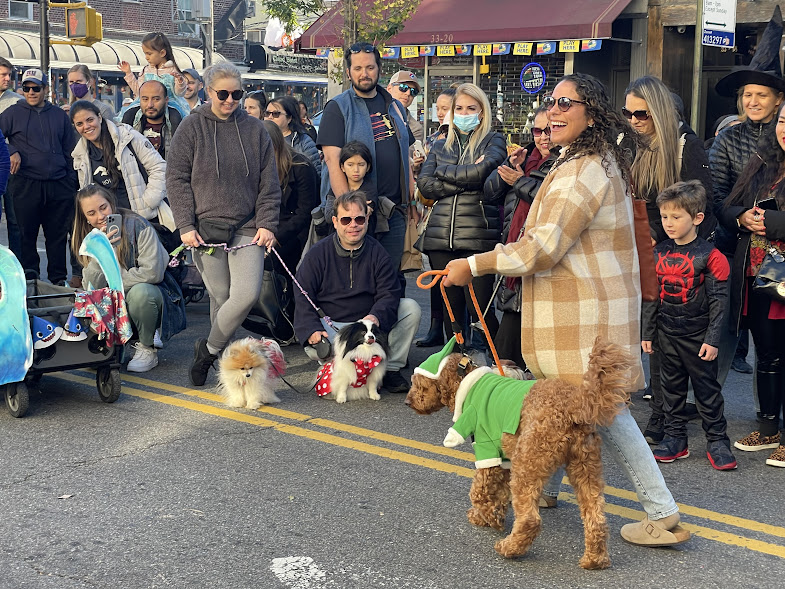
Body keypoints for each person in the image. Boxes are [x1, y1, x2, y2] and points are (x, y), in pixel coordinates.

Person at [442, 73, 689, 547]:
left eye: (564, 103)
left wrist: (474, 264)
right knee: (561, 404)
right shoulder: (579, 161)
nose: (552, 111)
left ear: (590, 114)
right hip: (577, 316)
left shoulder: (585, 168)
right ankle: (549, 491)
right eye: (549, 102)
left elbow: (543, 248)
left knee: (606, 412)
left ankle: (662, 512)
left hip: (584, 319)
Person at [166, 62, 281, 387]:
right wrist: (185, 224)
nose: (230, 100)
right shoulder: (191, 127)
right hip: (204, 228)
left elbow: (269, 183)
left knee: (244, 295)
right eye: (223, 94)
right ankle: (227, 370)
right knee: (220, 295)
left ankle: (208, 350)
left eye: (237, 94)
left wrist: (268, 223)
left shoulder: (256, 130)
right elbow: (175, 178)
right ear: (208, 91)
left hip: (247, 225)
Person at [625, 75, 716, 443]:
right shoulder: (630, 144)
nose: (633, 121)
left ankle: (667, 417)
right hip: (637, 252)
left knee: (668, 341)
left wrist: (661, 237)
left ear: (659, 111)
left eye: (641, 114)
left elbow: (703, 207)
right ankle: (660, 412)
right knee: (648, 337)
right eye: (628, 113)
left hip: (675, 257)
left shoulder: (685, 147)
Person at [709, 6, 785, 391]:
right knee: (725, 333)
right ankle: (710, 408)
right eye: (747, 94)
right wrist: (739, 216)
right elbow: (715, 194)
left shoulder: (784, 136)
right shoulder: (728, 139)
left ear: (777, 100)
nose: (752, 101)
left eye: (761, 94)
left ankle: (771, 419)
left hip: (778, 253)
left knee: (774, 346)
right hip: (736, 250)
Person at [641, 180, 736, 469]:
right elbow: (652, 296)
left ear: (697, 218)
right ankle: (675, 439)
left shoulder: (712, 256)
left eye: (676, 217)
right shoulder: (658, 253)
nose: (668, 223)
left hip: (698, 337)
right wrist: (647, 333)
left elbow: (721, 302)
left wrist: (713, 339)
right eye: (665, 216)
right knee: (670, 390)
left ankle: (718, 440)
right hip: (666, 335)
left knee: (707, 391)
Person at [294, 191, 421, 393]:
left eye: (359, 218)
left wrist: (376, 316)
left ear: (367, 219)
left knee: (411, 308)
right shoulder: (317, 253)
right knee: (315, 346)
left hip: (367, 326)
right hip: (331, 326)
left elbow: (390, 292)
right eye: (346, 219)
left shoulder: (378, 252)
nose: (353, 225)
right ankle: (341, 366)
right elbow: (303, 294)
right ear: (335, 222)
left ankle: (390, 369)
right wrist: (311, 329)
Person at [719, 99, 785, 469]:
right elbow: (725, 207)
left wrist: (770, 222)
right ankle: (769, 429)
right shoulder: (763, 163)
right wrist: (743, 217)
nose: (784, 128)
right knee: (768, 354)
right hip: (758, 276)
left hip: (781, 274)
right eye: (783, 121)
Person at [417, 82, 507, 347]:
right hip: (440, 237)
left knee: (480, 309)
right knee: (451, 313)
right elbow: (424, 184)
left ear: (482, 111)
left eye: (471, 108)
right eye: (459, 108)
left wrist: (443, 172)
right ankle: (455, 366)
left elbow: (481, 174)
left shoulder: (494, 140)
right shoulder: (441, 143)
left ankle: (497, 364)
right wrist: (466, 175)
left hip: (478, 236)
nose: (464, 113)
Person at [317, 43, 415, 273]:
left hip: (393, 212)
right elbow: (333, 162)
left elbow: (405, 155)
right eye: (358, 68)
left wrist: (411, 201)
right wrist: (350, 211)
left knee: (389, 281)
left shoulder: (395, 106)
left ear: (379, 69)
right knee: (354, 280)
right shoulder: (338, 108)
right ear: (349, 72)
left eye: (370, 67)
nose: (364, 73)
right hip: (358, 216)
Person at [72, 184, 184, 372]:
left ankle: (147, 346)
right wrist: (101, 251)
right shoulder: (88, 237)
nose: (100, 217)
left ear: (112, 204)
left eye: (103, 208)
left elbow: (152, 272)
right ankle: (115, 343)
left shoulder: (138, 225)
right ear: (85, 217)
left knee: (141, 293)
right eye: (91, 213)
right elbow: (90, 286)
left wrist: (116, 283)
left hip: (151, 294)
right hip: (113, 301)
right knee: (89, 301)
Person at [483, 105, 558, 367]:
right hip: (514, 254)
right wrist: (508, 167)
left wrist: (518, 181)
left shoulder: (565, 163)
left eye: (549, 130)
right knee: (506, 350)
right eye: (538, 130)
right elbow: (490, 193)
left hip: (541, 258)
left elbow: (551, 201)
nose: (543, 137)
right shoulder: (525, 159)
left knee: (524, 351)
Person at [0, 68, 78, 285]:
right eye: (27, 88)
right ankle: (30, 279)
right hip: (26, 183)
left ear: (46, 89)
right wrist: (11, 149)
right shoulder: (12, 113)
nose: (31, 92)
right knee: (26, 235)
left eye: (36, 88)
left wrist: (70, 181)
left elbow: (70, 150)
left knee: (57, 237)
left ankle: (58, 281)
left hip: (58, 184)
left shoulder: (59, 116)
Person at [70, 100, 173, 231]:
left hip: (143, 218)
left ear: (99, 117)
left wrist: (148, 202)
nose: (86, 126)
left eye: (90, 120)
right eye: (80, 124)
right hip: (110, 223)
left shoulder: (128, 136)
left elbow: (159, 167)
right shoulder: (80, 156)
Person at [416, 87, 456, 348]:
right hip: (432, 212)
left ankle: (458, 330)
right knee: (435, 273)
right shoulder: (433, 139)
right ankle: (434, 328)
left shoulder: (474, 140)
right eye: (438, 108)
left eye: (446, 108)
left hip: (458, 216)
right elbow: (425, 184)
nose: (440, 113)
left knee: (456, 278)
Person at [262, 120, 319, 272]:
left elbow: (305, 213)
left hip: (295, 232)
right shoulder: (258, 166)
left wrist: (277, 237)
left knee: (270, 262)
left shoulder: (301, 167)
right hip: (269, 227)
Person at [118, 31, 190, 118]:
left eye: (149, 53)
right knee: (128, 115)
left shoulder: (173, 70)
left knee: (175, 118)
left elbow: (179, 94)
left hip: (169, 105)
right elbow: (138, 91)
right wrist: (128, 73)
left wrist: (180, 83)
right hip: (147, 106)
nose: (146, 57)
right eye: (145, 53)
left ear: (162, 53)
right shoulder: (146, 70)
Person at [121, 80, 182, 160]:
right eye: (145, 99)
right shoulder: (129, 121)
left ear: (166, 100)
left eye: (156, 99)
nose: (150, 105)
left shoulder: (176, 123)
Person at [265, 96, 321, 176]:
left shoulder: (304, 142)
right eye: (267, 113)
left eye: (276, 114)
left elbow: (315, 174)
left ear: (289, 118)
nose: (270, 117)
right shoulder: (260, 139)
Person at [0, 57, 19, 257]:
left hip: (12, 169)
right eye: (3, 75)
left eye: (9, 75)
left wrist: (12, 149)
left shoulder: (16, 101)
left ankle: (18, 265)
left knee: (14, 220)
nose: (7, 79)